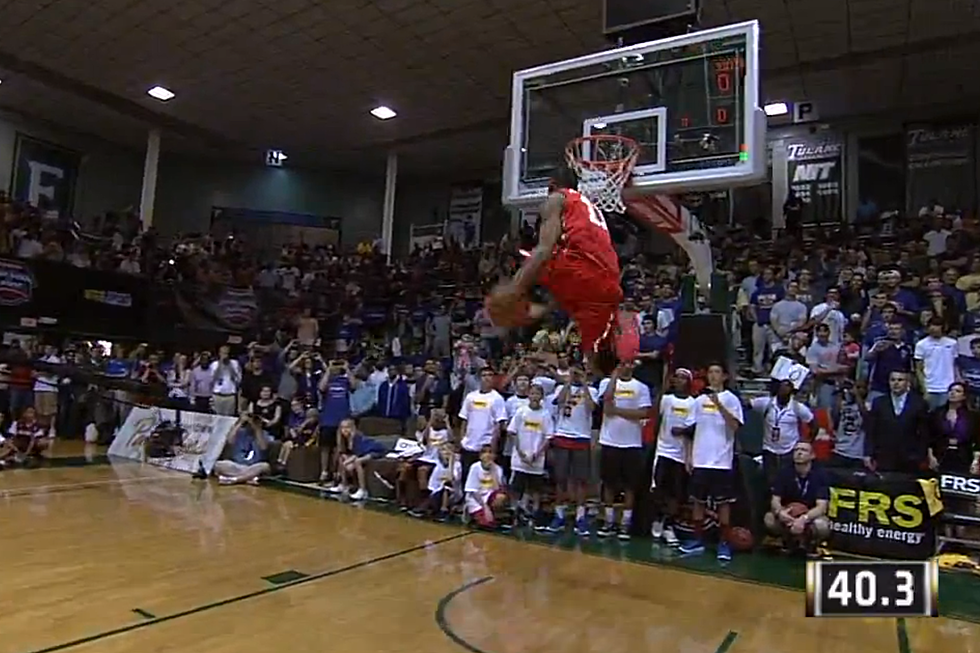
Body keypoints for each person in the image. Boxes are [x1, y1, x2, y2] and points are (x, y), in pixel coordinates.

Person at [489, 167, 637, 374]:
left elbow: (544, 250)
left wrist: (514, 288)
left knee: (528, 256)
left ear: (551, 185)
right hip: (609, 286)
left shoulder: (557, 198)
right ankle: (536, 311)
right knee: (599, 365)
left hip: (583, 272)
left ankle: (521, 310)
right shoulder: (589, 207)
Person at [764, 441, 830, 553]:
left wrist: (803, 519)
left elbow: (821, 507)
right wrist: (780, 512)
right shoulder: (784, 472)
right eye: (796, 450)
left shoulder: (820, 474)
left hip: (809, 515)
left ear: (812, 455)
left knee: (822, 525)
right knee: (769, 518)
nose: (799, 453)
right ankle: (785, 539)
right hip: (788, 513)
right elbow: (775, 500)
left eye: (804, 450)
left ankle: (810, 543)